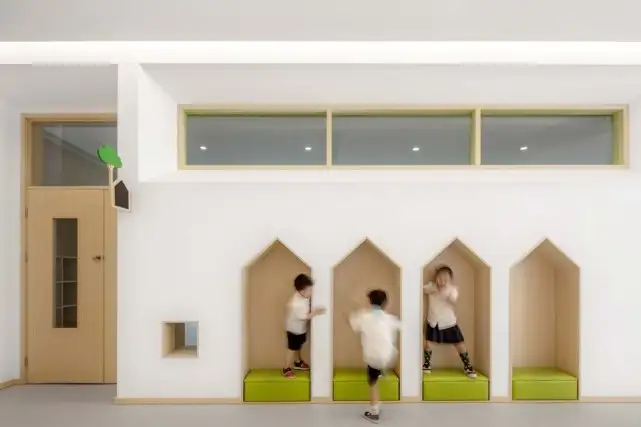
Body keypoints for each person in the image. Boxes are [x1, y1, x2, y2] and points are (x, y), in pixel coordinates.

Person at [348, 289, 401, 424]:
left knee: (372, 382)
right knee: (379, 360)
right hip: (389, 356)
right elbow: (400, 325)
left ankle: (374, 411)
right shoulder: (389, 318)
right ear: (385, 303)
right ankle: (381, 371)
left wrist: (349, 310)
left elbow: (353, 323)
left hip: (373, 357)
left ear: (369, 302)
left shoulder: (364, 316)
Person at [422, 265, 477, 378]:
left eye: (445, 278)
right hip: (433, 320)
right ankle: (427, 364)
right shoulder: (431, 287)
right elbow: (424, 289)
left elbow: (453, 300)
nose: (442, 280)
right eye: (439, 277)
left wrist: (445, 291)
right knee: (428, 342)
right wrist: (436, 289)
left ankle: (467, 366)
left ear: (450, 279)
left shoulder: (452, 289)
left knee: (459, 342)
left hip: (448, 321)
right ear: (436, 277)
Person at [283, 273, 326, 378]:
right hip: (293, 329)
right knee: (292, 348)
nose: (311, 293)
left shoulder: (303, 296)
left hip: (300, 328)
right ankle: (286, 368)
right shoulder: (296, 303)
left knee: (298, 345)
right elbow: (304, 316)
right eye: (309, 290)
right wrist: (316, 312)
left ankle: (298, 362)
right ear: (302, 291)